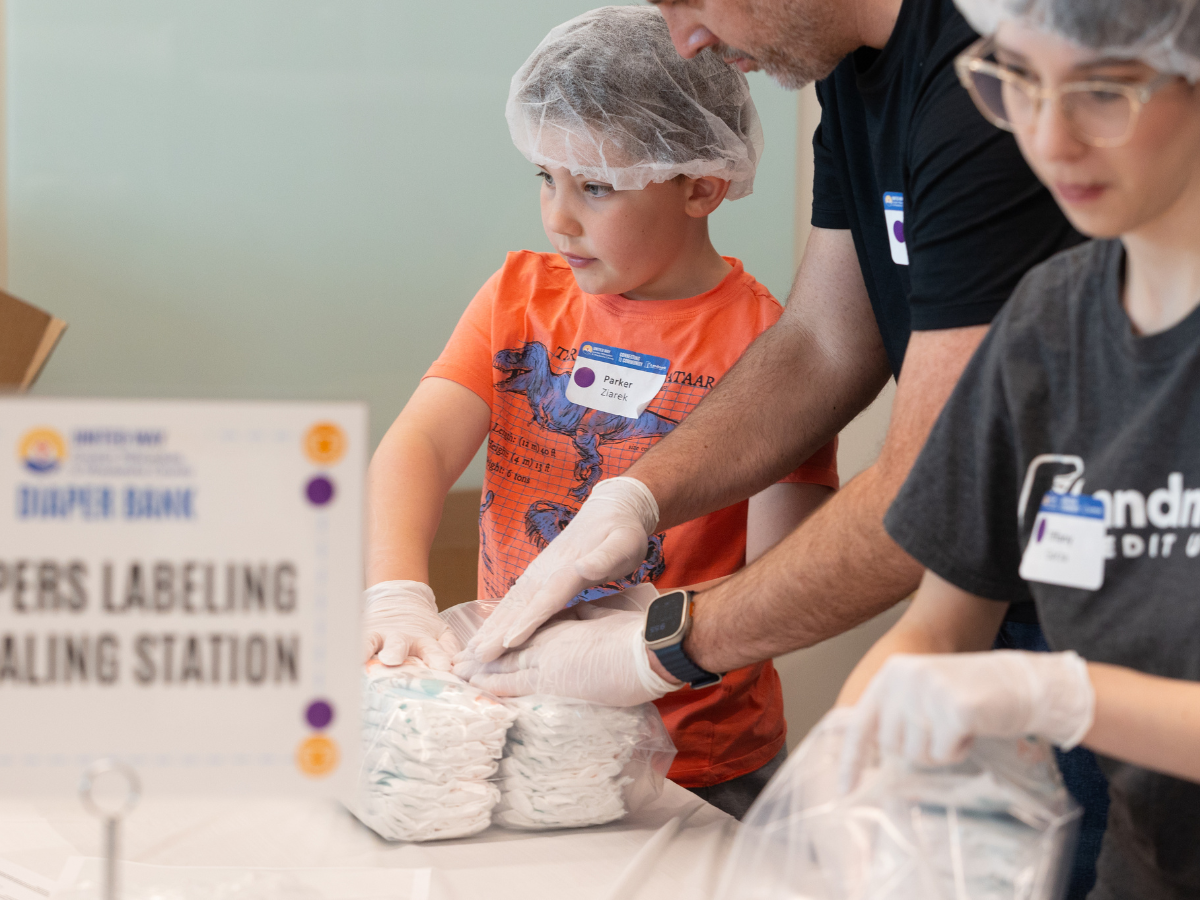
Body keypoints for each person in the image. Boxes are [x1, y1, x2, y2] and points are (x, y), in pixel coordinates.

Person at [459, 0, 1100, 892]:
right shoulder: (853, 71)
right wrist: (633, 499)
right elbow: (824, 342)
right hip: (991, 594)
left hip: (1102, 609)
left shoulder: (991, 92)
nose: (686, 40)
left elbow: (938, 476)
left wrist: (666, 643)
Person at [363, 6, 839, 819]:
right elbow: (418, 445)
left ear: (701, 184)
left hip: (701, 757)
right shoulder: (520, 296)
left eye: (596, 187)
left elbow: (781, 573)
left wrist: (649, 645)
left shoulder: (771, 351)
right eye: (545, 177)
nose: (558, 216)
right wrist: (396, 593)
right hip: (524, 730)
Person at [832, 1, 1200, 895]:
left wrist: (1059, 697)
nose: (1050, 138)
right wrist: (847, 773)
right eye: (1017, 82)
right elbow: (937, 626)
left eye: (1103, 93)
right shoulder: (1048, 325)